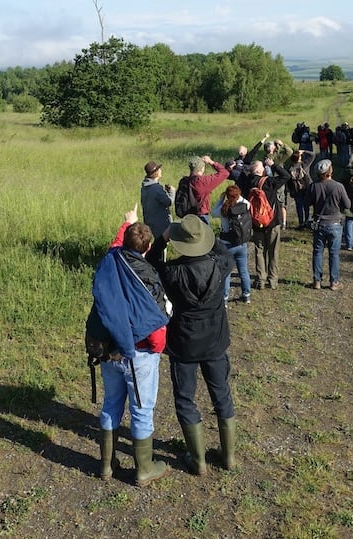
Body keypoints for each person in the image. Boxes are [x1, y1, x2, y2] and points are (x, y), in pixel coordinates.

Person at [84, 206, 170, 486]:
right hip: (139, 353)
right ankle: (144, 468)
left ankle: (106, 465)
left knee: (111, 404)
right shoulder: (148, 275)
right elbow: (156, 326)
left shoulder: (111, 262)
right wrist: (157, 350)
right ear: (147, 248)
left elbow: (116, 244)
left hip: (109, 350)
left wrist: (127, 224)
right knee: (141, 409)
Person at [150, 215, 237, 475]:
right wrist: (207, 236)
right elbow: (226, 253)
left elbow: (152, 264)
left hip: (184, 342)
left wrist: (163, 239)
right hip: (215, 340)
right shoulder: (220, 265)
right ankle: (228, 457)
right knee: (221, 393)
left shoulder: (173, 272)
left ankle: (198, 461)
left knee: (185, 399)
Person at [239, 159, 289, 290]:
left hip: (256, 223)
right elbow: (286, 176)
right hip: (272, 222)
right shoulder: (269, 182)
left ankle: (261, 279)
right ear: (260, 170)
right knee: (273, 251)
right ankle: (273, 280)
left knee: (259, 251)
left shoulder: (247, 183)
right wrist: (273, 165)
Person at [306, 159, 350, 290]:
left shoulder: (314, 186)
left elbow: (306, 203)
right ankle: (333, 282)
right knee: (334, 254)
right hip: (335, 223)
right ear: (330, 171)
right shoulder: (338, 186)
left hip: (319, 223)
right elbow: (347, 205)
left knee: (317, 252)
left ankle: (317, 281)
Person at [213, 184, 252, 305]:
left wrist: (221, 198)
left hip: (226, 245)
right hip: (241, 244)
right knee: (243, 270)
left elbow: (213, 212)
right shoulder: (245, 205)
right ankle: (246, 295)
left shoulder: (224, 209)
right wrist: (239, 196)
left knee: (226, 273)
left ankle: (224, 298)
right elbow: (247, 202)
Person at [185, 155, 229, 224]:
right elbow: (225, 173)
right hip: (201, 216)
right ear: (202, 168)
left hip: (187, 216)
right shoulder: (203, 182)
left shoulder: (184, 181)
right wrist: (211, 162)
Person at [140, 161, 174, 242]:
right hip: (160, 224)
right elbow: (169, 202)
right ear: (156, 173)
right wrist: (172, 192)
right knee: (162, 246)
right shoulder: (156, 188)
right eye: (159, 169)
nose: (161, 170)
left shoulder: (145, 186)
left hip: (149, 221)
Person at [284, 149, 315, 229]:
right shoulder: (304, 165)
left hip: (296, 190)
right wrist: (304, 151)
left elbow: (288, 181)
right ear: (299, 158)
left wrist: (290, 191)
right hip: (306, 188)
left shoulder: (290, 168)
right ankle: (307, 221)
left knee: (299, 207)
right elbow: (313, 155)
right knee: (306, 206)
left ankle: (301, 223)